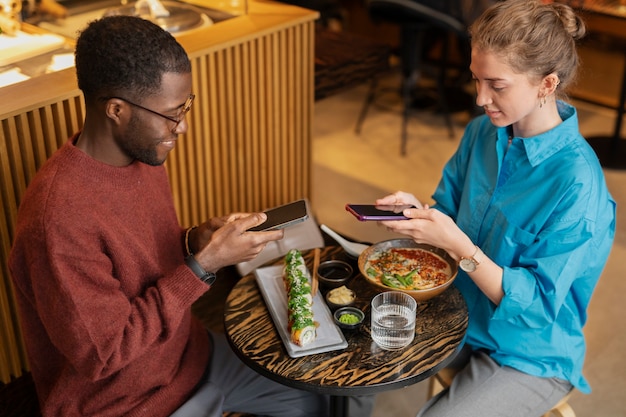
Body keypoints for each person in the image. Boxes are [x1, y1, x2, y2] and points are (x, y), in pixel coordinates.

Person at [8, 15, 373, 417]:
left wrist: (194, 241)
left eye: (186, 106)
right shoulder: (57, 221)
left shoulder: (143, 153)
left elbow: (140, 258)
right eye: (172, 113)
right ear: (116, 110)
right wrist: (204, 265)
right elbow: (104, 354)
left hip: (189, 357)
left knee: (318, 397)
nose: (183, 126)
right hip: (125, 403)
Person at [374, 1, 616, 416]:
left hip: (528, 352)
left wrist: (462, 248)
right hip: (461, 316)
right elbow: (447, 210)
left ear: (547, 84)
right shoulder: (482, 133)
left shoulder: (577, 185)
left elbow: (536, 309)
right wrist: (421, 214)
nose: (480, 98)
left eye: (496, 85)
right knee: (354, 359)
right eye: (476, 80)